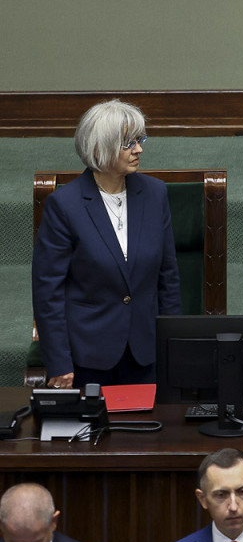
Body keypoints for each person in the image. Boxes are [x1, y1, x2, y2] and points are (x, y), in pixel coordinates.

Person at [32, 99, 180, 388]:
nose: (138, 149)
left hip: (145, 353)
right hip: (87, 356)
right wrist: (59, 362)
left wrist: (173, 347)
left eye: (139, 140)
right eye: (128, 143)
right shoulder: (65, 205)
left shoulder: (155, 194)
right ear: (99, 148)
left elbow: (168, 278)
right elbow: (48, 291)